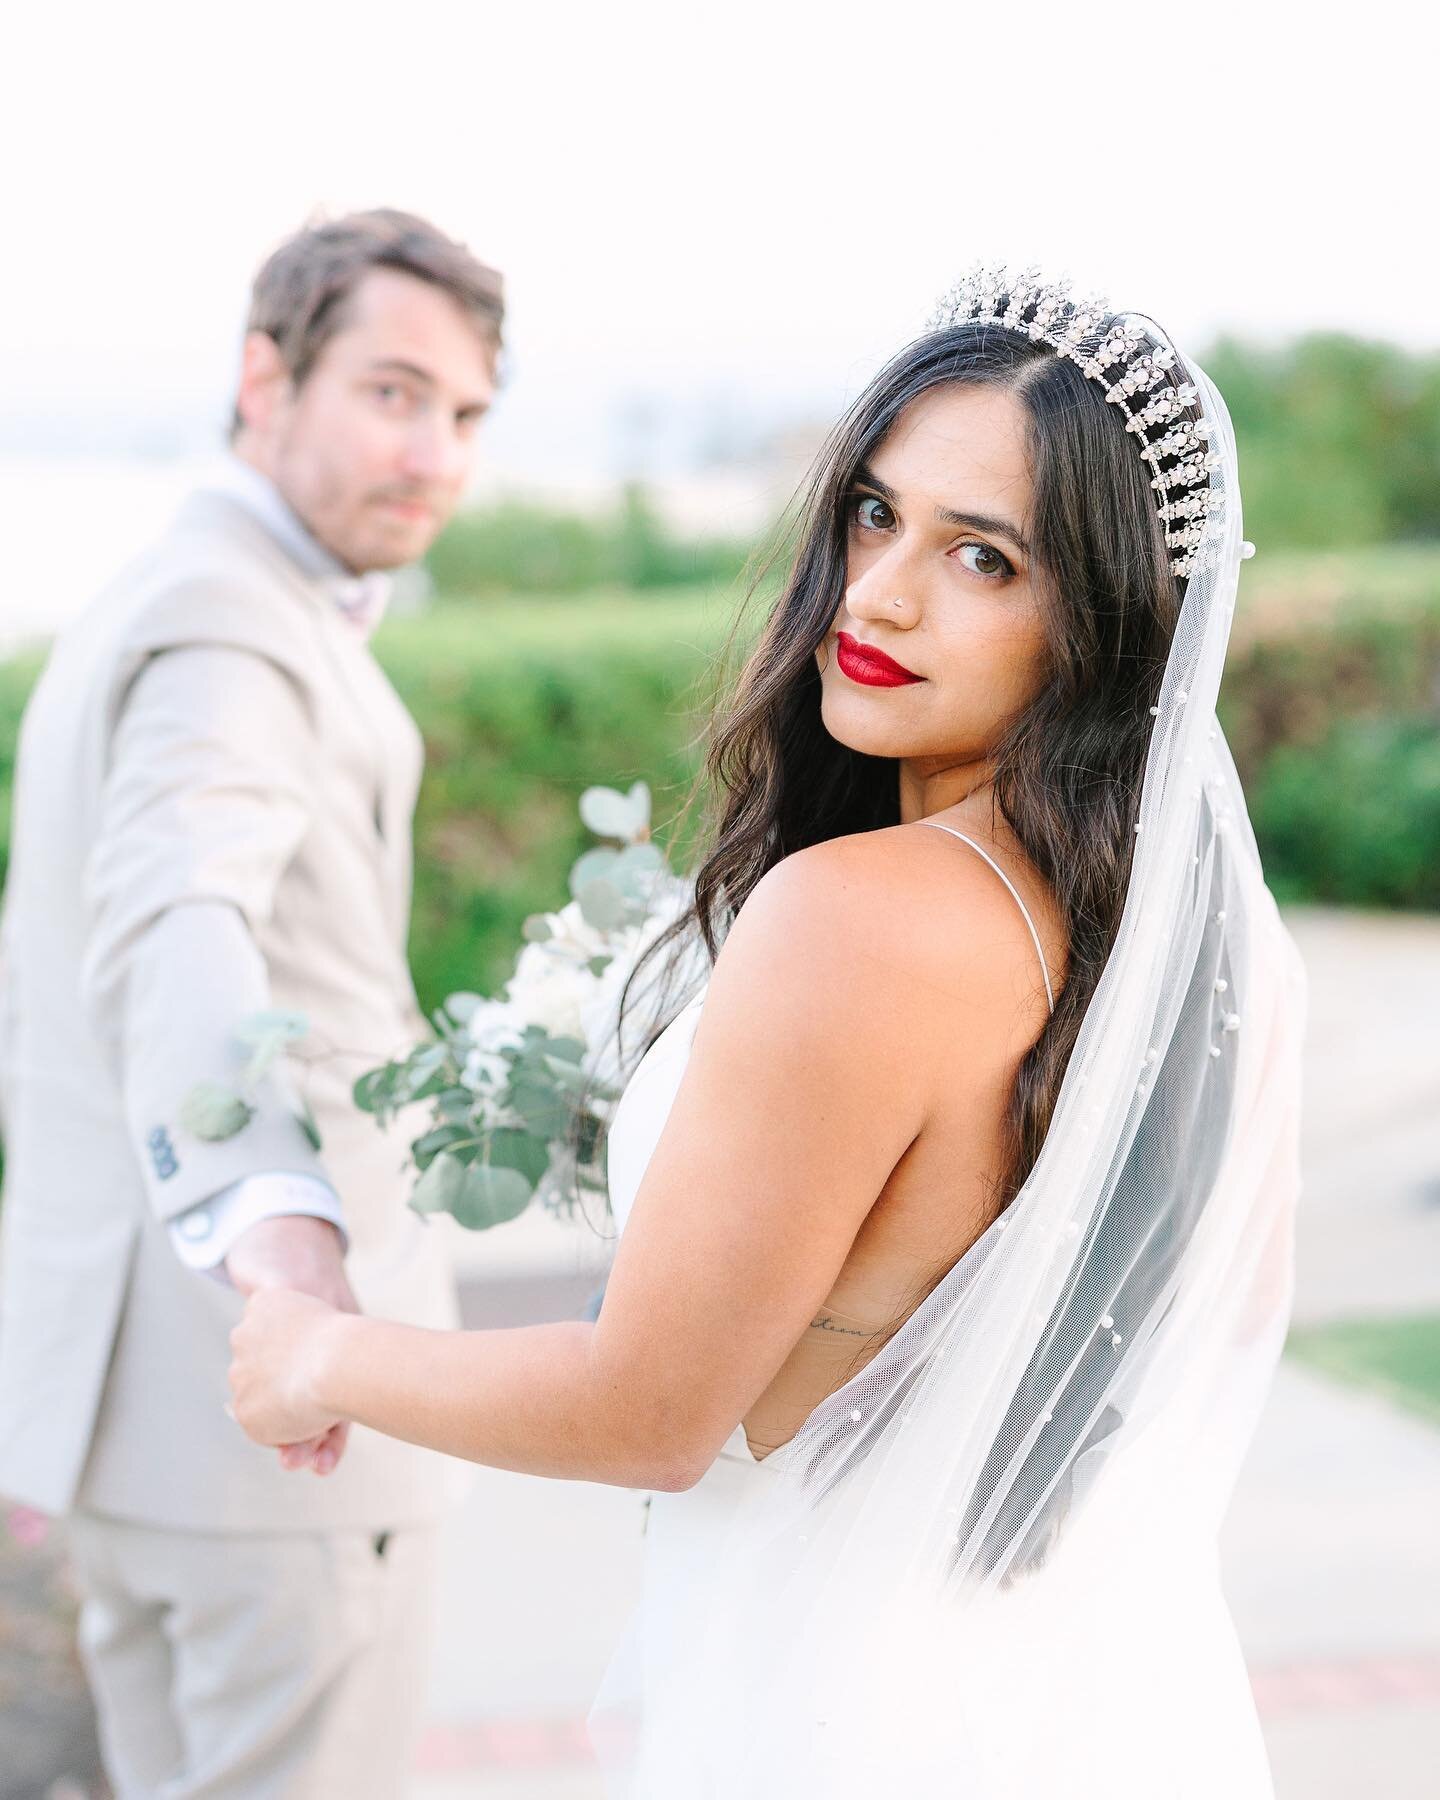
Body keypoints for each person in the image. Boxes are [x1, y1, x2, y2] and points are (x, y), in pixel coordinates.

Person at [228, 267, 1306, 1797]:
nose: (878, 594)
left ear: (1111, 622)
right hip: (1091, 1695)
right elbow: (1195, 1324)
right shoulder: (1207, 945)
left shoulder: (862, 917)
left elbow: (652, 1411)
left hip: (845, 1701)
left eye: (985, 558)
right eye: (876, 515)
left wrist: (318, 1354)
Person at [0, 208, 503, 1797]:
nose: (435, 455)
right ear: (263, 375)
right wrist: (280, 1234)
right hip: (279, 1408)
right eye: (394, 392)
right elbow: (175, 921)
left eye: (469, 415)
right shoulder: (232, 623)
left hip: (127, 1431)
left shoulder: (150, 593)